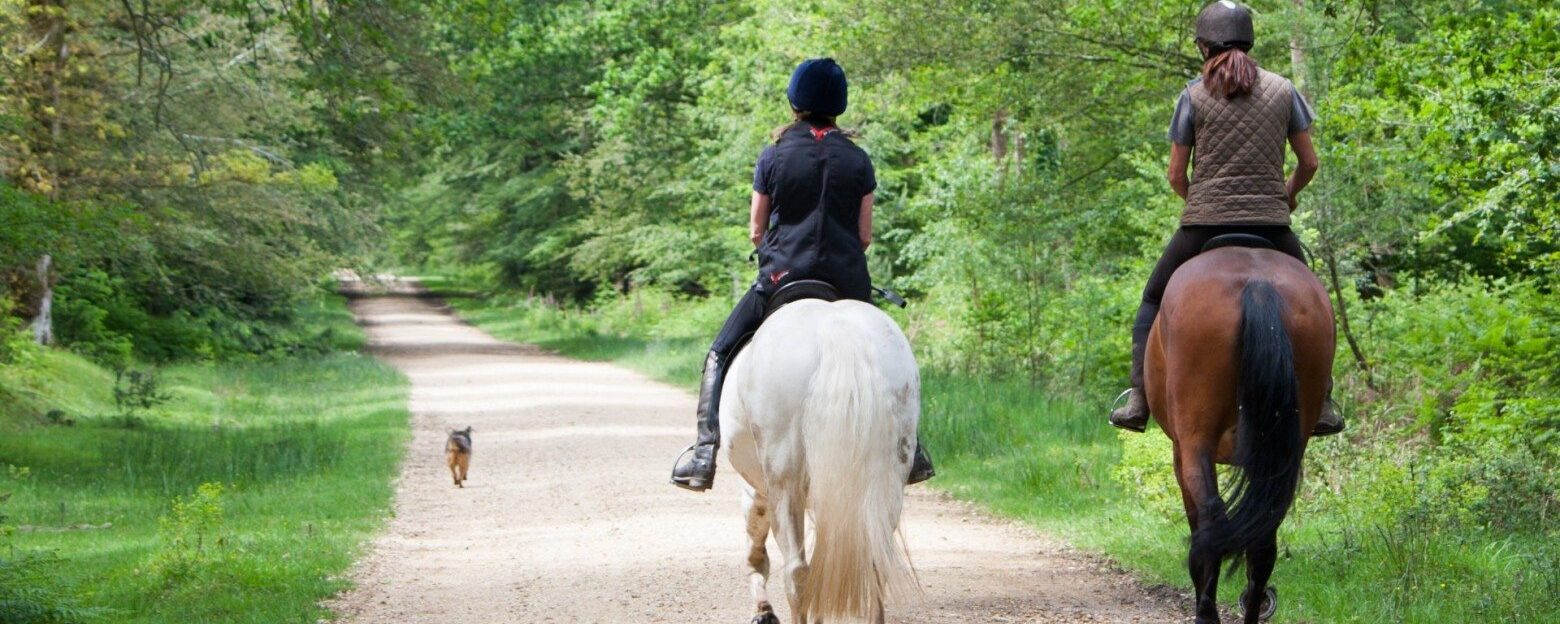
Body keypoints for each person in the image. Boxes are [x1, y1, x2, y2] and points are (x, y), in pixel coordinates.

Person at [671, 58, 936, 491]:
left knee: (720, 351)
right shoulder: (859, 159)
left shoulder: (773, 154)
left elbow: (757, 229)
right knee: (883, 350)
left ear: (794, 101)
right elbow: (864, 235)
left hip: (781, 278)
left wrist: (775, 254)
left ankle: (703, 453)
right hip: (846, 282)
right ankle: (912, 450)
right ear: (840, 106)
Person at [1108, 1, 1345, 436]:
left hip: (1203, 227)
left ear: (1204, 46)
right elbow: (1309, 163)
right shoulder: (1283, 90)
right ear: (1249, 42)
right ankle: (1324, 399)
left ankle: (1138, 400)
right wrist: (1285, 197)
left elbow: (1176, 174)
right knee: (1315, 303)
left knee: (1152, 300)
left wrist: (1199, 200)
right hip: (1272, 226)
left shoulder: (1193, 94)